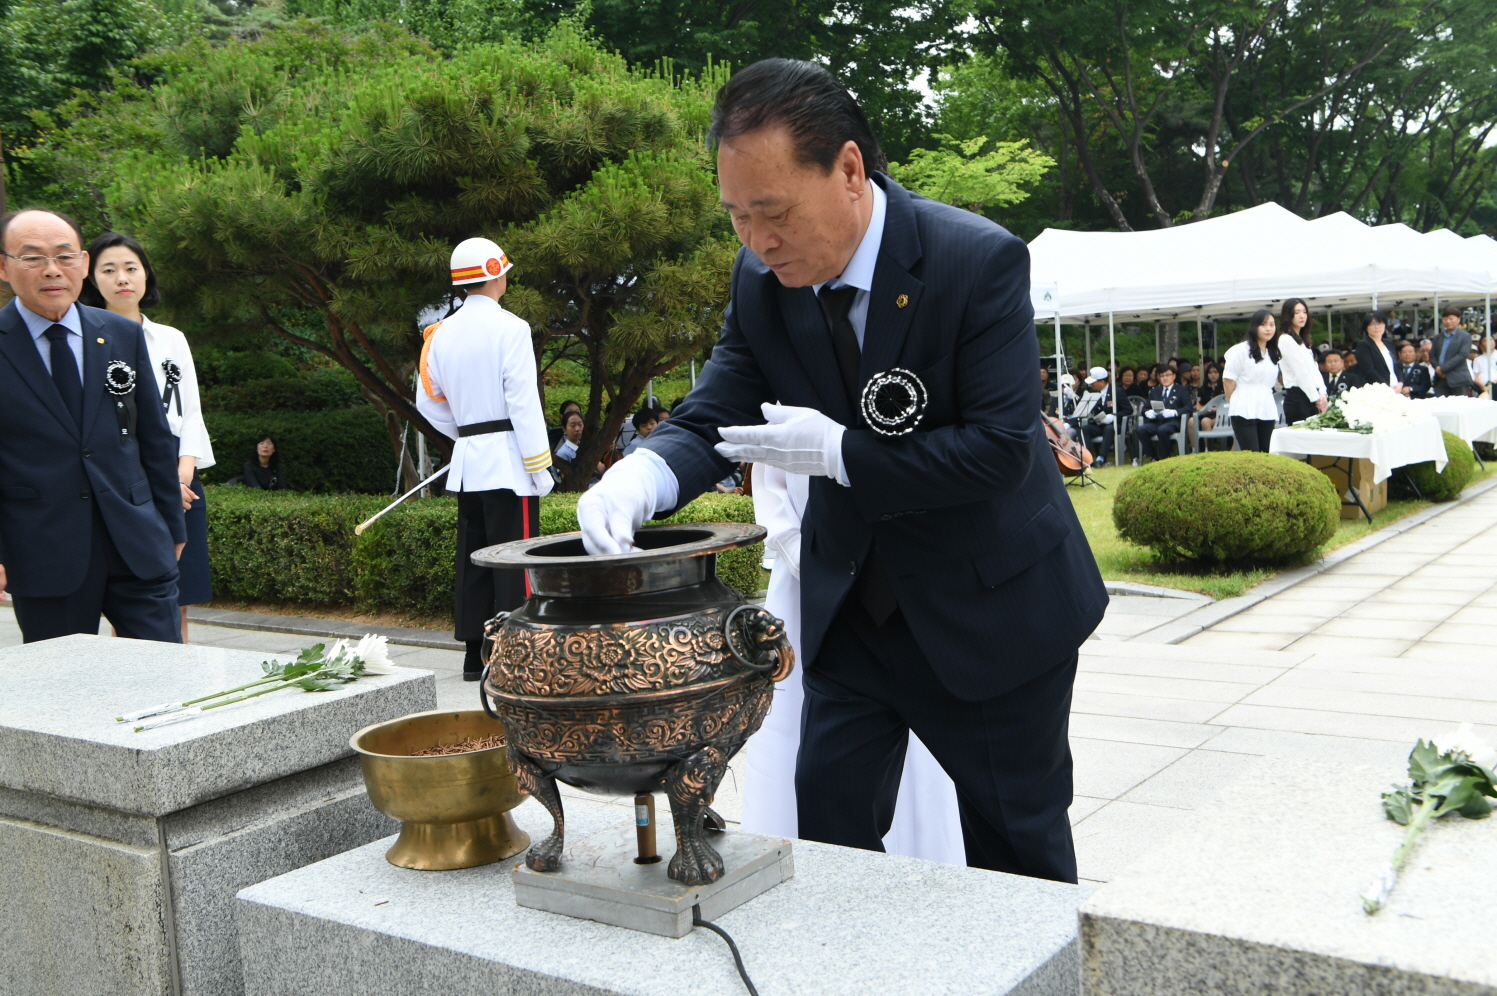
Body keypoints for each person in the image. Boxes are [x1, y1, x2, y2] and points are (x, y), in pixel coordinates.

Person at [574, 59, 1106, 883]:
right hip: (853, 610)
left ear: (849, 170)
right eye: (738, 217)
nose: (759, 240)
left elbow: (1001, 450)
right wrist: (640, 477)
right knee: (828, 829)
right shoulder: (761, 281)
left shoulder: (974, 263)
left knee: (1015, 841)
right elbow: (717, 412)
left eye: (775, 212)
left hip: (990, 607)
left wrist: (839, 455)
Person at [741, 463, 965, 863]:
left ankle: (925, 851)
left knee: (924, 748)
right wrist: (805, 556)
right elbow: (770, 482)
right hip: (807, 579)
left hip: (908, 578)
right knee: (815, 757)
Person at [0, 208, 185, 642]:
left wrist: (171, 527)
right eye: (32, 258)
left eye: (64, 256)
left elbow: (153, 438)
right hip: (43, 549)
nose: (51, 270)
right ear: (4, 267)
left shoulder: (121, 333)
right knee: (64, 693)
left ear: (83, 264)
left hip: (137, 542)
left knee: (166, 680)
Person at [417, 237, 554, 681]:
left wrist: (467, 436)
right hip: (510, 463)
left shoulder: (439, 334)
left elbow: (429, 403)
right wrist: (539, 466)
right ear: (495, 272)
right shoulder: (511, 328)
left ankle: (473, 654)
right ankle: (516, 653)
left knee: (474, 558)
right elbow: (524, 402)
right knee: (515, 557)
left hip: (469, 461)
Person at [80, 232, 215, 643]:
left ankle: (184, 691)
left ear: (145, 275)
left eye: (131, 268)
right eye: (109, 269)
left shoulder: (171, 339)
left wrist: (182, 476)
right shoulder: (85, 340)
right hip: (122, 471)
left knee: (179, 601)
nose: (122, 278)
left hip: (179, 472)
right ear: (91, 278)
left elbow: (190, 411)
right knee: (136, 603)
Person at [1222, 309, 1282, 452]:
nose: (1268, 328)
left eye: (1272, 324)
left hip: (1266, 407)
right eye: (1263, 324)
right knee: (1251, 454)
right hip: (1244, 407)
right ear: (1254, 327)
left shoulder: (1273, 353)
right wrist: (1234, 400)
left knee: (1266, 453)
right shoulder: (1240, 350)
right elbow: (1228, 379)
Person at [1278, 298, 1328, 424]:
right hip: (1298, 397)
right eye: (1297, 312)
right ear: (1288, 316)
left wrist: (1322, 392)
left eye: (1304, 312)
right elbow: (1301, 373)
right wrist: (1317, 399)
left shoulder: (1303, 341)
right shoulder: (1286, 340)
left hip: (1311, 395)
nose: (1302, 316)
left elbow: (1314, 369)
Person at [1135, 363, 1190, 461]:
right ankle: (1154, 456)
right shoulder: (1155, 391)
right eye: (1162, 376)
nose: (1165, 378)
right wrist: (1148, 412)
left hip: (1173, 421)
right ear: (1158, 378)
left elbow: (1188, 408)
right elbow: (1145, 409)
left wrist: (1174, 412)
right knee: (1140, 430)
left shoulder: (1181, 390)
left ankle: (1165, 458)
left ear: (1174, 376)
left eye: (1167, 375)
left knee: (1162, 430)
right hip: (1156, 421)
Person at [1353, 310, 1402, 394]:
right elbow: (1369, 370)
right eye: (1372, 324)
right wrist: (1386, 387)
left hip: (1396, 387)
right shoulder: (1364, 345)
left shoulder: (1389, 343)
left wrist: (1400, 382)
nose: (1377, 327)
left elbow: (1397, 364)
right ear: (1366, 327)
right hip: (1378, 390)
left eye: (1380, 323)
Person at [1431, 305, 1474, 397]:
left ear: (1458, 319)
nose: (1448, 321)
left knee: (1459, 407)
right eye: (1445, 319)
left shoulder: (1465, 336)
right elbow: (1432, 355)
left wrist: (1443, 369)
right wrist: (1437, 368)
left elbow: (1462, 355)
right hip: (1440, 378)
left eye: (1451, 319)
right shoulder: (1438, 337)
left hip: (1458, 378)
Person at [1080, 365, 1117, 467]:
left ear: (1102, 382)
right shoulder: (1093, 393)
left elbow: (1128, 410)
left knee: (1109, 428)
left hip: (1113, 424)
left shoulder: (1116, 391)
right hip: (1099, 424)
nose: (1091, 385)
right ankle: (1088, 458)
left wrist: (1113, 416)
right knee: (1084, 429)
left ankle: (1101, 457)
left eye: (1093, 382)